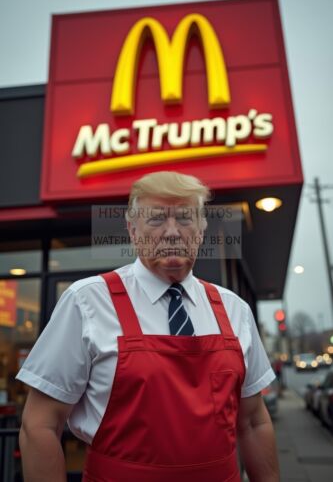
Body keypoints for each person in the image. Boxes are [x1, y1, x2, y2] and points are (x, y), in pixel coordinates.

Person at [16, 171, 279, 482]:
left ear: (202, 229)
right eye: (156, 219)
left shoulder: (235, 309)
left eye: (185, 218)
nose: (172, 232)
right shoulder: (86, 302)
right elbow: (40, 425)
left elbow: (253, 422)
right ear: (132, 229)